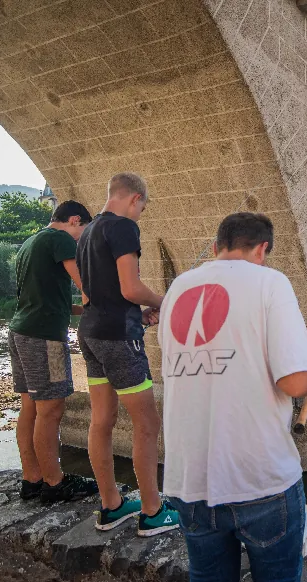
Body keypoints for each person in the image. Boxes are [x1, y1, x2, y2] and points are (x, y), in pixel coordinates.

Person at [160, 212, 307, 582]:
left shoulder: (178, 289)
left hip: (189, 480)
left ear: (218, 245)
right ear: (263, 248)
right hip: (260, 480)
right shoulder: (270, 282)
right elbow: (293, 382)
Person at [77, 172, 179, 537]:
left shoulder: (87, 231)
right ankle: (153, 512)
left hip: (90, 333)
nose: (140, 215)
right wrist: (165, 302)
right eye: (143, 208)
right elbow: (131, 287)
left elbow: (94, 296)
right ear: (135, 198)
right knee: (147, 424)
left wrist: (138, 314)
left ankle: (111, 506)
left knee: (101, 420)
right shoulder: (123, 228)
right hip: (119, 339)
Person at [8, 200, 99, 503]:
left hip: (21, 331)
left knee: (31, 407)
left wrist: (83, 311)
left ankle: (31, 479)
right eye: (82, 232)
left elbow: (48, 300)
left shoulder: (30, 242)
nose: (80, 240)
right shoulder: (60, 239)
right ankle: (54, 483)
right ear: (75, 220)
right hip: (44, 338)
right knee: (51, 409)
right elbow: (86, 284)